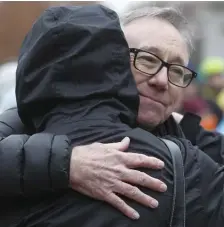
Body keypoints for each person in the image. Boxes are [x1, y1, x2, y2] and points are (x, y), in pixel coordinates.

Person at [1, 2, 224, 223]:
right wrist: (67, 163)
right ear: (109, 62)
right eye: (147, 59)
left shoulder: (189, 145)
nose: (161, 81)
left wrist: (187, 127)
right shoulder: (30, 120)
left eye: (177, 71)